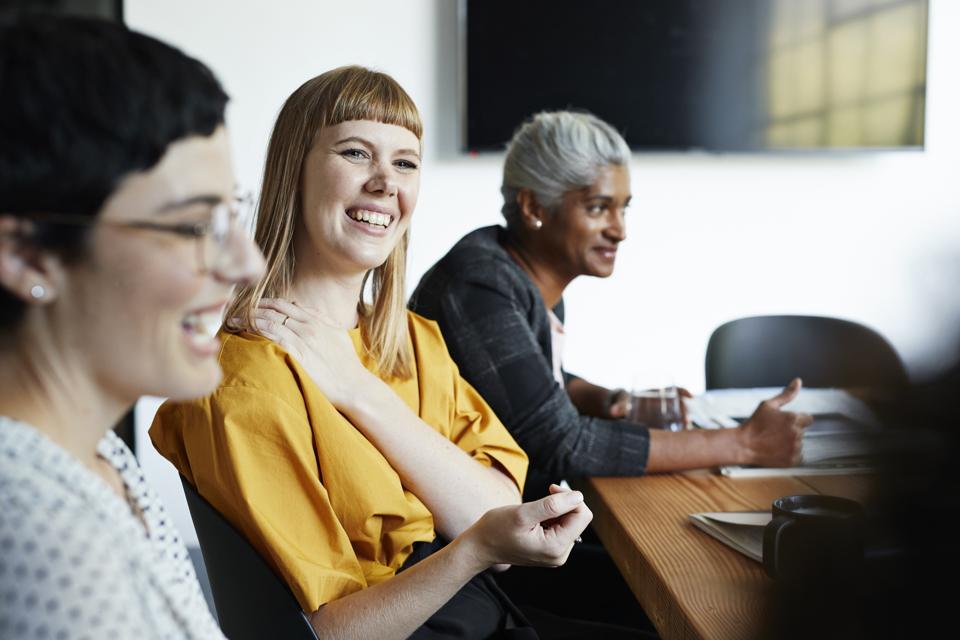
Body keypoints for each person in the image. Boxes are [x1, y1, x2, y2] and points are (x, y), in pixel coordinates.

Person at [149, 67, 639, 640]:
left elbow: (497, 506)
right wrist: (475, 548)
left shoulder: (412, 339)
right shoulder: (245, 382)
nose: (386, 183)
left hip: (488, 612)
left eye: (405, 162)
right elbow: (328, 633)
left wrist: (359, 392)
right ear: (294, 173)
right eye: (356, 153)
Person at [0, 16, 265, 639]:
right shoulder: (35, 529)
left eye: (230, 214)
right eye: (192, 226)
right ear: (28, 255)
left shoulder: (97, 456)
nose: (246, 265)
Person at [410, 110, 814, 502]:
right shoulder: (480, 287)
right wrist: (742, 443)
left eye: (623, 208)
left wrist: (613, 401)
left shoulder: (519, 276)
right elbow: (561, 444)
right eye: (598, 208)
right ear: (533, 207)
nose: (620, 230)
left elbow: (533, 385)